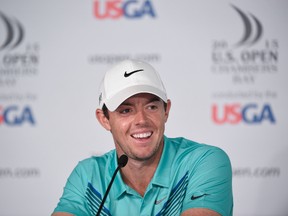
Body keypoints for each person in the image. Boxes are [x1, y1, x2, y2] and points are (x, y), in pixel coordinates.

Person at [52, 59, 233, 216]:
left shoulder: (203, 161)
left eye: (151, 107)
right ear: (104, 119)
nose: (141, 120)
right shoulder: (88, 175)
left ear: (166, 111)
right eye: (126, 110)